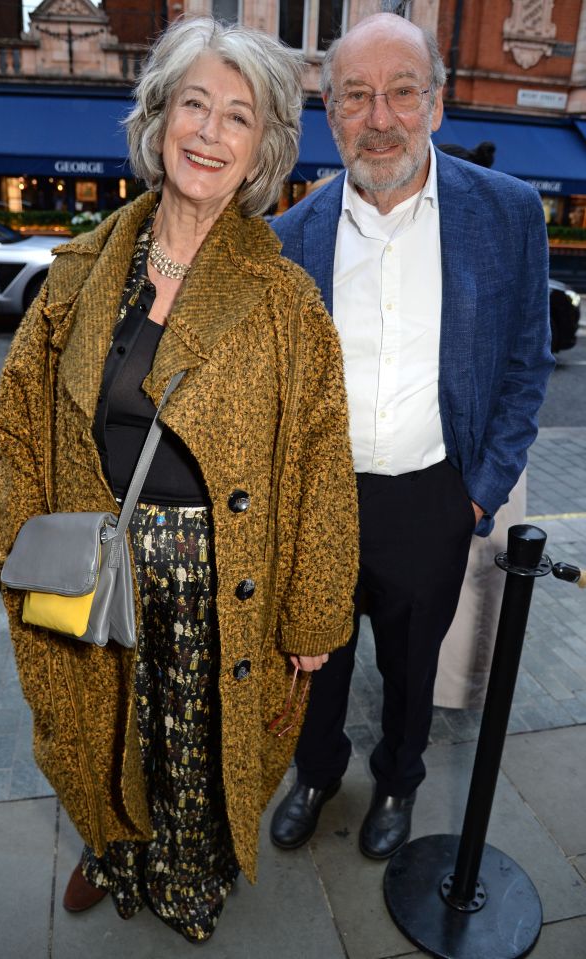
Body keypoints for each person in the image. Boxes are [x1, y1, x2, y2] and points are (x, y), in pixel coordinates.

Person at [0, 18, 358, 943]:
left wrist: (313, 611)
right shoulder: (79, 271)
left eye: (238, 116)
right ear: (159, 120)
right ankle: (112, 846)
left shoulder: (285, 299)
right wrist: (15, 545)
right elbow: (21, 421)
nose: (209, 131)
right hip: (90, 555)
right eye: (194, 104)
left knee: (193, 746)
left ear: (261, 150)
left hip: (214, 570)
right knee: (96, 724)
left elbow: (320, 452)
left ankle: (188, 877)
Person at [269, 12, 553, 861]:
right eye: (356, 95)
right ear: (330, 115)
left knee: (410, 668)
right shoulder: (289, 240)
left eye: (401, 91)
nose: (380, 115)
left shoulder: (505, 214)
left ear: (435, 104)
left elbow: (524, 364)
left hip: (433, 494)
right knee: (309, 665)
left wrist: (475, 492)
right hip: (320, 503)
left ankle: (398, 780)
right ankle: (315, 773)